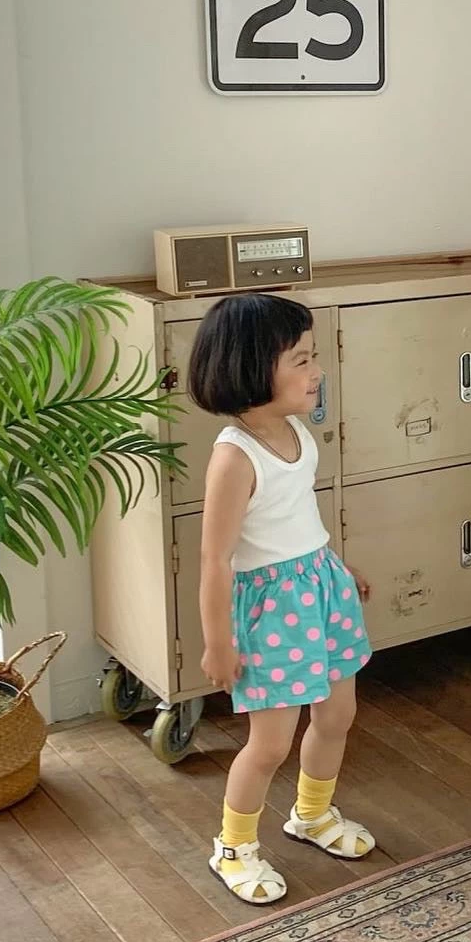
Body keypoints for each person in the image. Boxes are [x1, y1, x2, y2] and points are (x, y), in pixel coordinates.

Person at [188, 293, 375, 905]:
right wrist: (218, 642)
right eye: (301, 360)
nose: (316, 371)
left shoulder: (297, 432)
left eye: (313, 356)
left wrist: (337, 566)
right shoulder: (233, 457)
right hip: (272, 611)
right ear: (250, 370)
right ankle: (233, 848)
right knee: (269, 744)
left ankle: (312, 814)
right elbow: (215, 560)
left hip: (320, 588)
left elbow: (296, 516)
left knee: (337, 716)